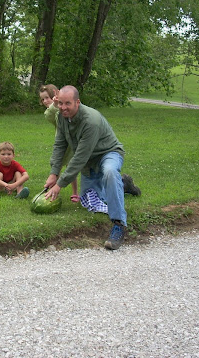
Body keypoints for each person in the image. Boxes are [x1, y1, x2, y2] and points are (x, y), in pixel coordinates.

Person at [44, 85, 138, 250]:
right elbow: (60, 145)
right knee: (90, 203)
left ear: (77, 102)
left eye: (68, 103)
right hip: (89, 163)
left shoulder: (90, 120)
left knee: (109, 172)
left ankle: (119, 224)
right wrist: (53, 173)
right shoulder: (61, 117)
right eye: (60, 103)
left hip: (108, 154)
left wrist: (60, 184)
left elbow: (80, 156)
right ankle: (123, 185)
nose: (63, 108)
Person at [39, 84, 80, 203]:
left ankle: (75, 192)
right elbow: (49, 116)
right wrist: (54, 105)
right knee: (57, 166)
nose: (45, 101)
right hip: (61, 143)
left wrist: (57, 104)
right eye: (42, 99)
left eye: (47, 97)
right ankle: (52, 191)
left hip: (70, 143)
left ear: (54, 96)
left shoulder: (60, 108)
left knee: (71, 166)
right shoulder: (51, 110)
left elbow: (61, 112)